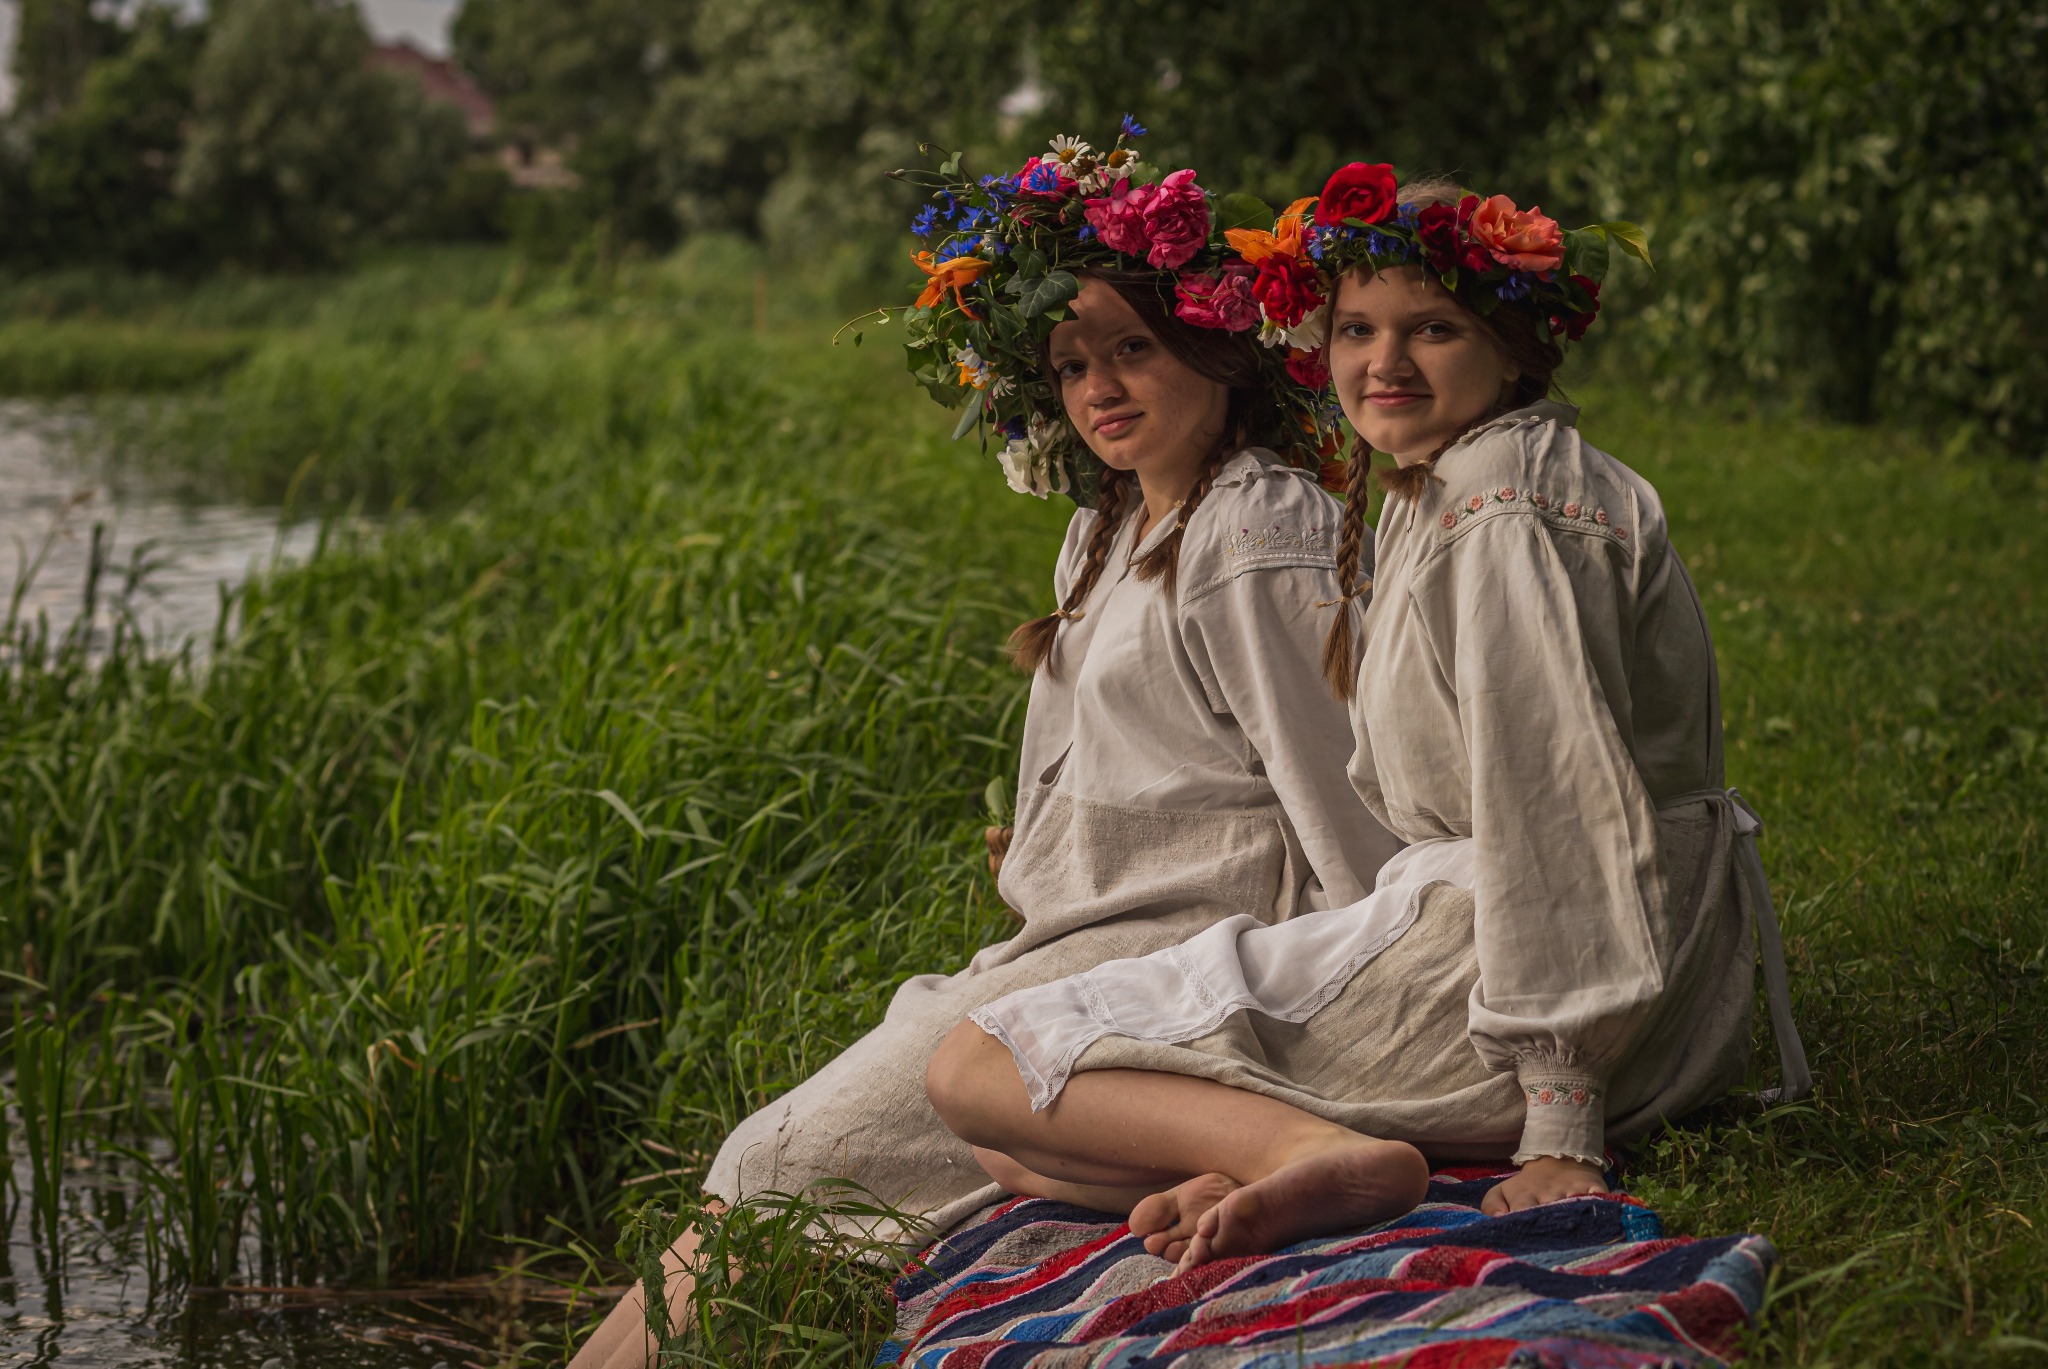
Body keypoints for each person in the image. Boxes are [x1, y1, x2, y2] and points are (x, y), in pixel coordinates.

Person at [568, 132, 1402, 1369]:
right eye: (1070, 364)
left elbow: (1331, 781)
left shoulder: (1256, 526)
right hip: (1078, 928)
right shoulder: (1106, 526)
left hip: (1184, 941)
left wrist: (1353, 999)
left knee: (779, 1158)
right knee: (774, 1164)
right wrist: (1045, 847)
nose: (1099, 387)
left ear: (1217, 349)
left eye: (1131, 348)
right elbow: (1116, 755)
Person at [926, 165, 1811, 1270]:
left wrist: (1559, 1119)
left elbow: (1555, 802)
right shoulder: (1458, 477)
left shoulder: (1502, 513)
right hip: (1564, 956)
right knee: (1015, 1140)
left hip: (1528, 984)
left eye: (1431, 328)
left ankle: (1323, 1150)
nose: (1383, 363)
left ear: (1513, 346)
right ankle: (1270, 1156)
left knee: (981, 1070)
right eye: (1355, 329)